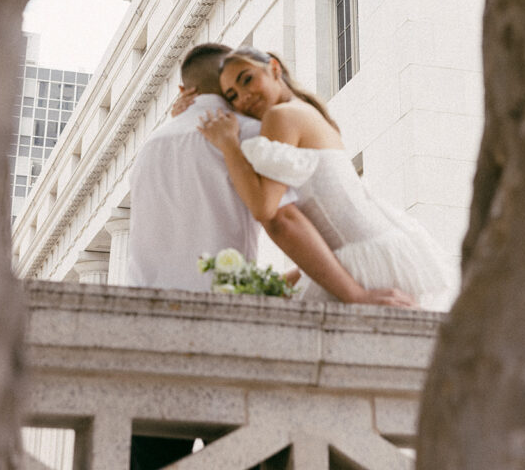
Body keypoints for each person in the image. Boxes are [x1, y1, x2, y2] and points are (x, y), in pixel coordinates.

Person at [127, 42, 375, 470]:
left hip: (148, 337)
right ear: (224, 89)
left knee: (151, 461)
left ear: (184, 88)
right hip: (227, 334)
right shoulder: (249, 132)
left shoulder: (149, 149)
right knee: (263, 455)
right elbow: (295, 222)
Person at [198, 46, 456, 310]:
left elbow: (266, 208)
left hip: (365, 266)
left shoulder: (281, 116)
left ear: (274, 68)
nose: (244, 96)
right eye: (233, 96)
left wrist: (228, 143)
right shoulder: (306, 112)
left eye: (247, 79)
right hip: (380, 255)